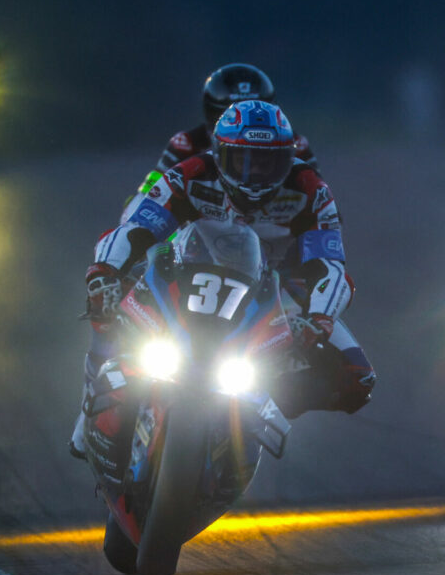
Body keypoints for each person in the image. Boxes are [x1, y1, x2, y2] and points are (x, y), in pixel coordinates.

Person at [70, 100, 374, 458]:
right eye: (242, 160)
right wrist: (104, 274)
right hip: (186, 275)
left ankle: (253, 408)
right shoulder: (190, 173)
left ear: (288, 159)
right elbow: (134, 227)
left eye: (267, 162)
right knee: (108, 303)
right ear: (219, 153)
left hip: (274, 290)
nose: (254, 175)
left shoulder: (310, 189)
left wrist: (319, 317)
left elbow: (330, 264)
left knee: (358, 377)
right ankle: (94, 399)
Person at [133, 63, 318, 201]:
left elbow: (318, 198)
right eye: (229, 115)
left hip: (271, 228)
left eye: (255, 114)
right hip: (202, 231)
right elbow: (149, 193)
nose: (243, 125)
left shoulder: (294, 144)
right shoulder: (186, 143)